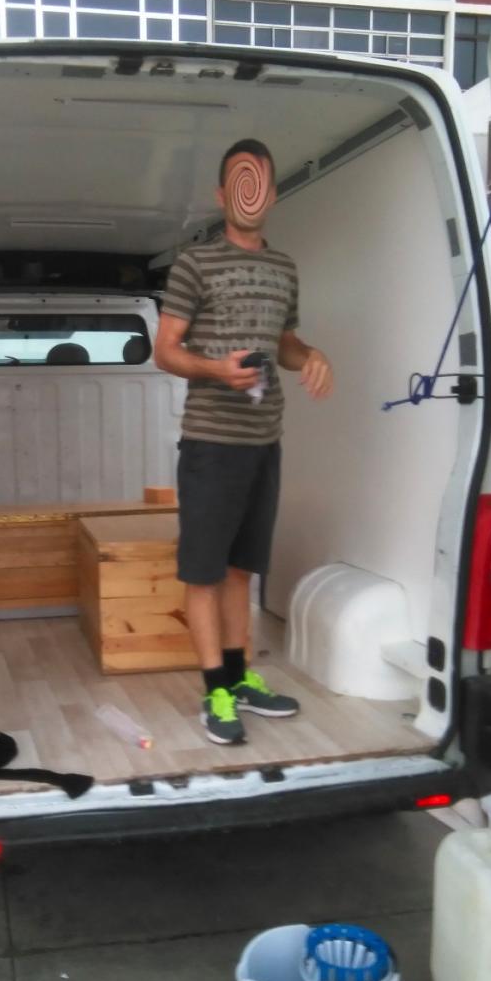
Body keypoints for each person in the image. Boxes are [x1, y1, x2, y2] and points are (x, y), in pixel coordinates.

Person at [154, 138, 333, 745]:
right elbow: (165, 350)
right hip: (212, 443)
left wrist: (311, 356)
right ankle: (216, 694)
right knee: (204, 573)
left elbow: (286, 344)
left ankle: (240, 678)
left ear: (272, 194)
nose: (250, 193)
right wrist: (215, 369)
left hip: (265, 441)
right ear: (222, 194)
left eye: (259, 182)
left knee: (241, 572)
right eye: (239, 180)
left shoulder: (284, 268)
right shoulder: (194, 265)